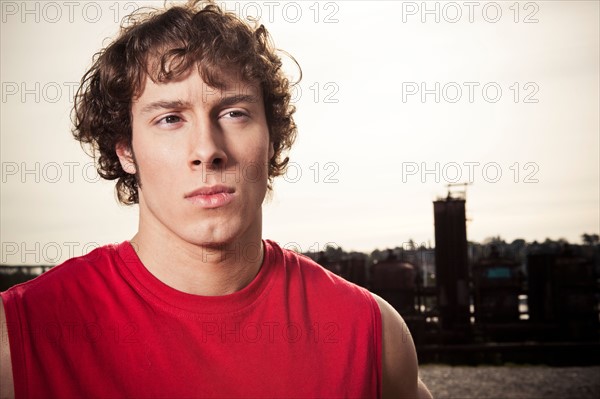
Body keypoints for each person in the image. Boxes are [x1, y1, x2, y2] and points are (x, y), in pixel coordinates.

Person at [0, 1, 432, 397]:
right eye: (170, 118)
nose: (207, 148)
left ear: (272, 137)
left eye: (233, 113)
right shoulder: (17, 339)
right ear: (126, 151)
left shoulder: (374, 336)